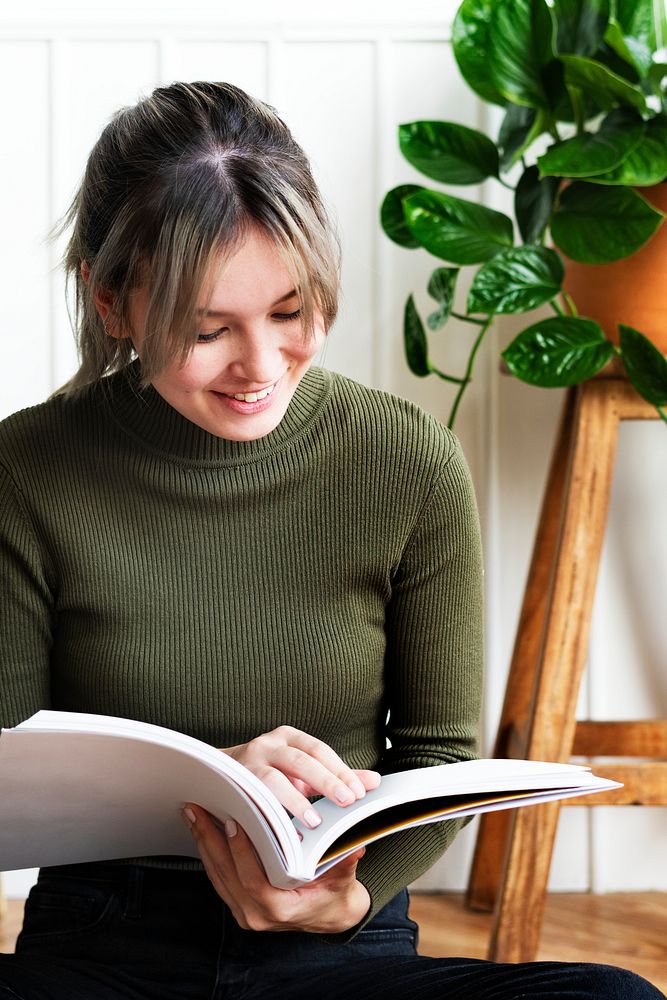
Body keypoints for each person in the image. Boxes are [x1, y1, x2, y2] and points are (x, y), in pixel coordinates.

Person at [0, 81, 661, 1000]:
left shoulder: (406, 460)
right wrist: (206, 787)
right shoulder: (27, 468)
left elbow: (436, 754)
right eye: (207, 329)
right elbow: (8, 773)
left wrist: (345, 904)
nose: (261, 367)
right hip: (107, 946)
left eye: (290, 311)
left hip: (340, 947)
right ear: (111, 302)